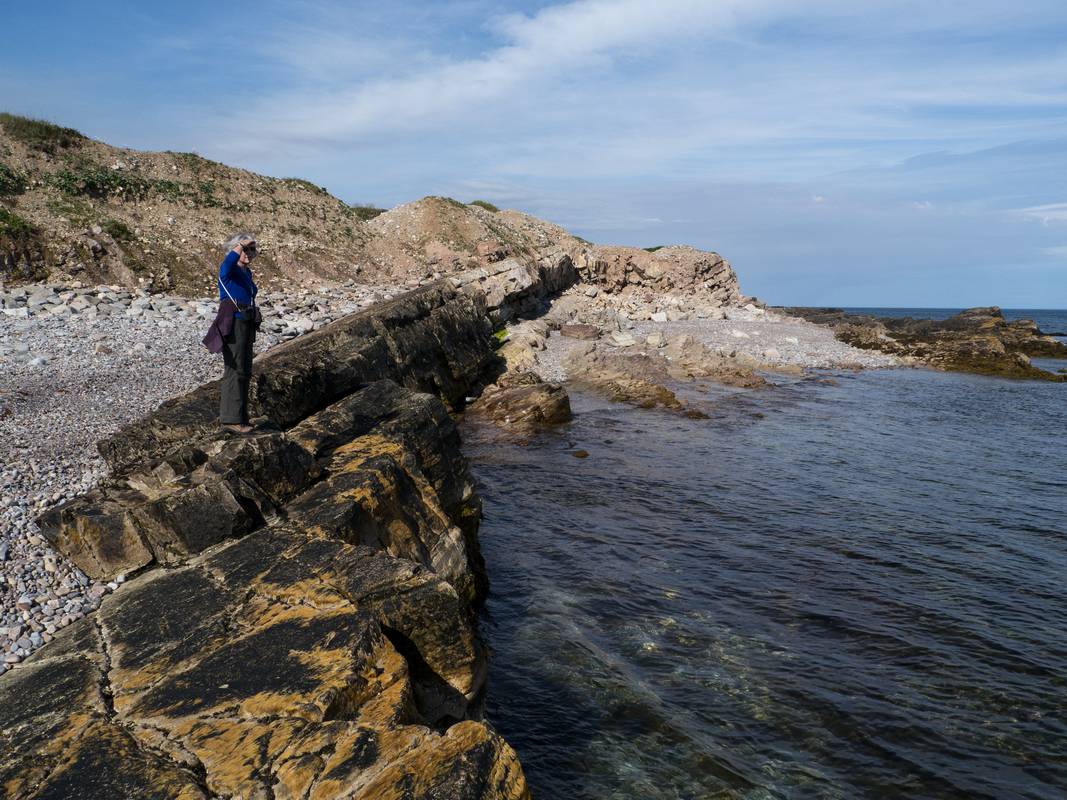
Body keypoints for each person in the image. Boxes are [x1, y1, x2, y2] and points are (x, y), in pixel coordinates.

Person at [202, 233, 261, 433]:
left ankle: (241, 418)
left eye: (252, 249)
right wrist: (240, 245)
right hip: (234, 322)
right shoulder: (229, 270)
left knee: (244, 369)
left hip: (246, 322)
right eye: (246, 249)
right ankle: (230, 420)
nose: (249, 253)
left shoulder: (246, 273)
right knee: (234, 369)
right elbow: (226, 266)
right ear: (235, 250)